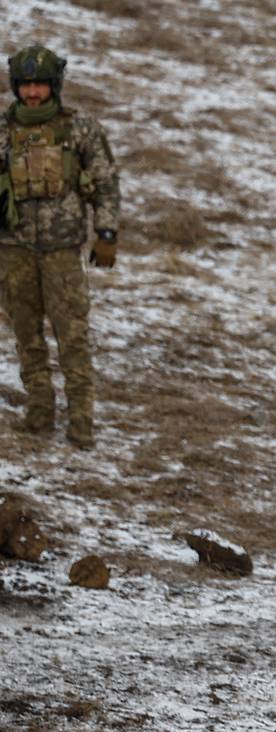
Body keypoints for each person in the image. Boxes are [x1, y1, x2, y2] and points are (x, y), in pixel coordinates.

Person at [0, 45, 118, 448]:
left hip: (62, 250)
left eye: (40, 85)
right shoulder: (1, 129)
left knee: (73, 335)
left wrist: (106, 234)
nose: (33, 94)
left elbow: (104, 183)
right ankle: (38, 412)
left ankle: (81, 420)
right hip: (12, 250)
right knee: (26, 335)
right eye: (26, 85)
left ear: (54, 86)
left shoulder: (79, 129)